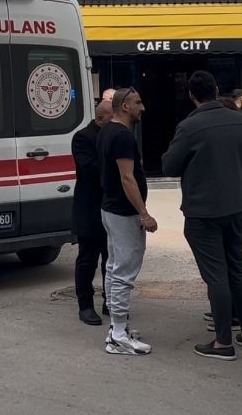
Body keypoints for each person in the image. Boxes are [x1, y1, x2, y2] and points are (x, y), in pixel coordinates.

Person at [162, 71, 242, 361]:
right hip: (236, 206)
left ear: (191, 95)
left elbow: (169, 166)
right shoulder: (240, 121)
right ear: (216, 90)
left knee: (216, 275)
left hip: (204, 211)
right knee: (237, 268)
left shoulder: (189, 126)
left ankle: (223, 342)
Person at [98, 87, 155, 355]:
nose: (142, 107)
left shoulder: (107, 130)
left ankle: (116, 328)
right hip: (123, 213)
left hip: (111, 210)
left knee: (113, 268)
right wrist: (144, 214)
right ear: (124, 107)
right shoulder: (122, 136)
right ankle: (118, 335)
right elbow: (127, 178)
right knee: (123, 272)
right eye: (138, 102)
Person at [72, 100, 113, 326]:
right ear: (100, 118)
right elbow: (89, 168)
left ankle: (110, 301)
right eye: (111, 118)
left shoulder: (116, 134)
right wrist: (118, 167)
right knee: (88, 260)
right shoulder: (83, 137)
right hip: (90, 208)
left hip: (112, 207)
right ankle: (85, 305)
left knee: (111, 259)